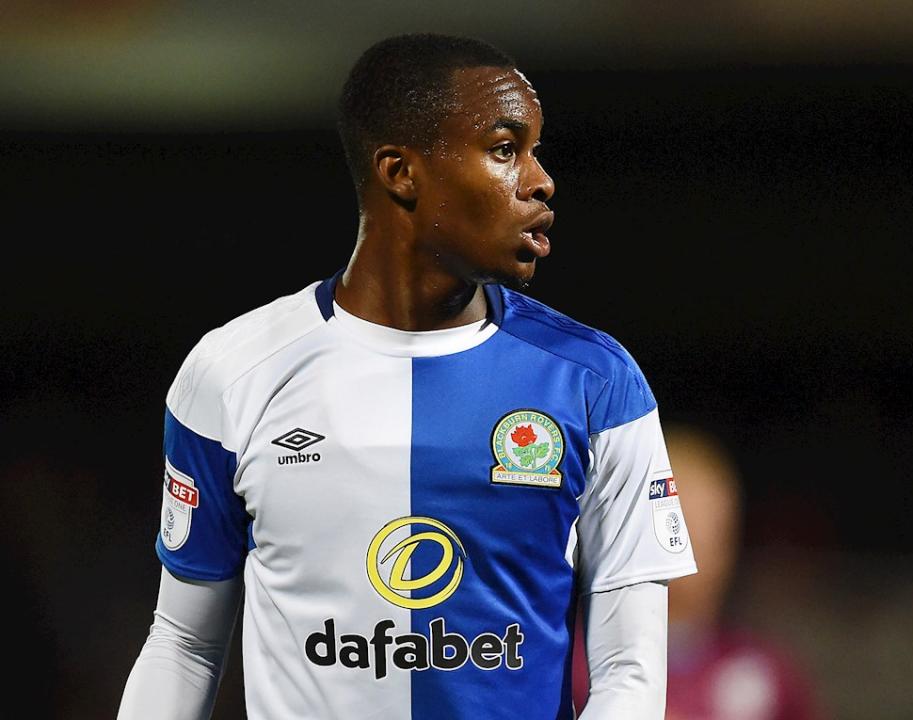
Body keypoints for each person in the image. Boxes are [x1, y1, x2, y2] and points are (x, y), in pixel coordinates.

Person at [117, 32, 697, 720]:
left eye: (534, 151)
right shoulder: (233, 372)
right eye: (505, 149)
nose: (540, 180)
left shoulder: (596, 383)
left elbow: (630, 671)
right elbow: (183, 644)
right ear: (400, 172)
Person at [572, 425, 822, 719]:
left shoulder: (767, 673)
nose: (696, 548)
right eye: (682, 524)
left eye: (712, 529)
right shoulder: (568, 665)